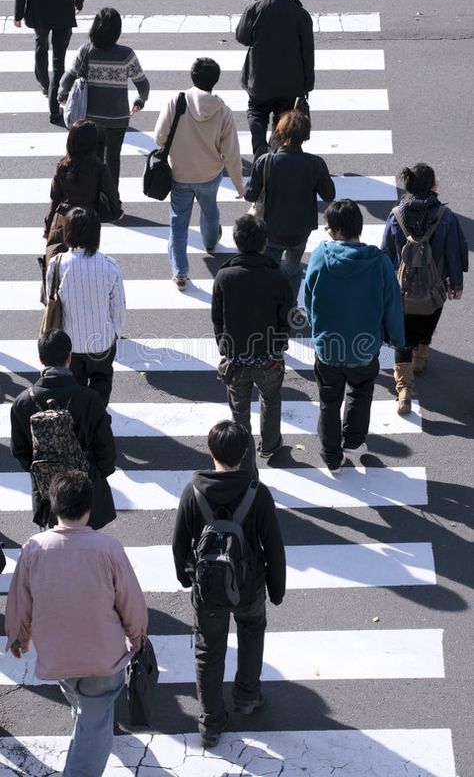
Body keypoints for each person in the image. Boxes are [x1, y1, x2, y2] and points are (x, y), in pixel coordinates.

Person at [5, 471, 148, 777]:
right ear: (89, 509)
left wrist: (19, 636)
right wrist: (136, 638)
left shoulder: (34, 547)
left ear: (53, 507)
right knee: (95, 726)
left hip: (57, 656)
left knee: (81, 701)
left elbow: (20, 598)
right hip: (103, 656)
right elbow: (131, 603)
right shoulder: (108, 548)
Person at [172, 420, 286, 748]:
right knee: (251, 633)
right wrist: (275, 589)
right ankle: (247, 695)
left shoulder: (194, 491)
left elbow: (180, 543)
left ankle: (210, 721)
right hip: (249, 585)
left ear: (211, 452)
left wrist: (186, 577)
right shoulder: (257, 492)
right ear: (246, 454)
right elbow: (273, 546)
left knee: (208, 650)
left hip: (207, 587)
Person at [304, 199, 405, 473]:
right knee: (360, 394)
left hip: (328, 347)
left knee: (329, 401)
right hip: (364, 348)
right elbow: (392, 304)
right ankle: (354, 441)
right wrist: (397, 338)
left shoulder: (319, 257)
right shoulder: (380, 262)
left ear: (335, 230)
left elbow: (308, 298)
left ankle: (331, 456)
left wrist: (317, 328)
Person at [382, 163, 468, 413]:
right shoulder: (446, 217)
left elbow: (386, 253)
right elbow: (455, 253)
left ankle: (404, 391)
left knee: (402, 339)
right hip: (434, 289)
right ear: (432, 186)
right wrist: (457, 285)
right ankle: (420, 360)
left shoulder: (397, 215)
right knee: (427, 324)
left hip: (402, 291)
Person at [211, 216, 293, 477]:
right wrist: (279, 343)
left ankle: (245, 462)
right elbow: (287, 316)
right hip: (268, 357)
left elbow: (218, 318)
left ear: (236, 242)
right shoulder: (277, 276)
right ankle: (269, 446)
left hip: (236, 359)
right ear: (264, 243)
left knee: (239, 412)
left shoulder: (224, 276)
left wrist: (224, 346)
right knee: (271, 399)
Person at [10, 330, 116, 529]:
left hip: (49, 494)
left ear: (41, 359)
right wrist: (96, 474)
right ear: (69, 357)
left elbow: (21, 452)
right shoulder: (89, 399)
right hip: (87, 490)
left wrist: (44, 471)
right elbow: (107, 452)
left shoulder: (22, 403)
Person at [154, 57, 244, 290]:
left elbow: (159, 137)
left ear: (192, 76)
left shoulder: (177, 101)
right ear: (215, 81)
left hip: (180, 173)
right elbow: (231, 153)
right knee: (210, 209)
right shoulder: (222, 111)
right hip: (210, 174)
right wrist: (239, 185)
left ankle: (180, 273)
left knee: (178, 223)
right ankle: (211, 243)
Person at [245, 110, 335, 310]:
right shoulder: (315, 164)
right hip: (300, 230)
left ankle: (269, 304)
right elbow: (329, 194)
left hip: (271, 229)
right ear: (305, 135)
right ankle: (290, 305)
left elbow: (250, 195)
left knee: (269, 268)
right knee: (293, 269)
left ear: (280, 133)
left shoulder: (266, 161)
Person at [59, 7, 150, 187]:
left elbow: (66, 80)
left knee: (94, 158)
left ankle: (94, 198)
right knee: (113, 159)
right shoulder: (126, 55)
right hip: (117, 118)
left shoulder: (86, 51)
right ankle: (111, 201)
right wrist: (140, 101)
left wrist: (63, 96)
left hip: (90, 118)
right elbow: (143, 85)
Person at [45, 206, 126, 406]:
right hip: (102, 342)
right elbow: (118, 308)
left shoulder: (56, 264)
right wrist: (114, 333)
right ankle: (97, 418)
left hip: (70, 345)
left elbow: (50, 299)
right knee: (102, 382)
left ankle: (80, 423)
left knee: (75, 388)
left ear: (68, 232)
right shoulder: (109, 265)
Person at [236, 0, 314, 158]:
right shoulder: (301, 15)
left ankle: (260, 149)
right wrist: (308, 84)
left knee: (256, 112)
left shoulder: (255, 8)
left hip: (259, 79)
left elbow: (242, 37)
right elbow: (308, 53)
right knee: (284, 118)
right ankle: (278, 152)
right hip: (290, 82)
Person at [44, 119, 123, 265]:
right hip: (89, 220)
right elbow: (112, 195)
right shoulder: (99, 168)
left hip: (63, 220)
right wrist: (117, 210)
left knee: (57, 263)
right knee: (86, 262)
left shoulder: (62, 166)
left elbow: (54, 198)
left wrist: (48, 227)